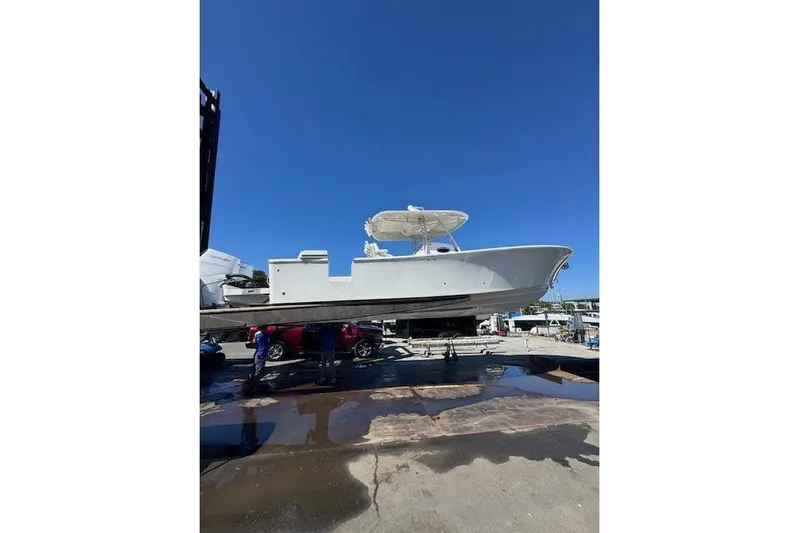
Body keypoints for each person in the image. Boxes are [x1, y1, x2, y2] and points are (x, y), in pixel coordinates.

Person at [247, 324, 271, 393]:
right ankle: (254, 386)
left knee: (255, 368)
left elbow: (254, 342)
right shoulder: (266, 334)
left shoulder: (257, 334)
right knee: (259, 370)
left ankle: (251, 381)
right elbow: (269, 340)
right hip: (262, 354)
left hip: (257, 353)